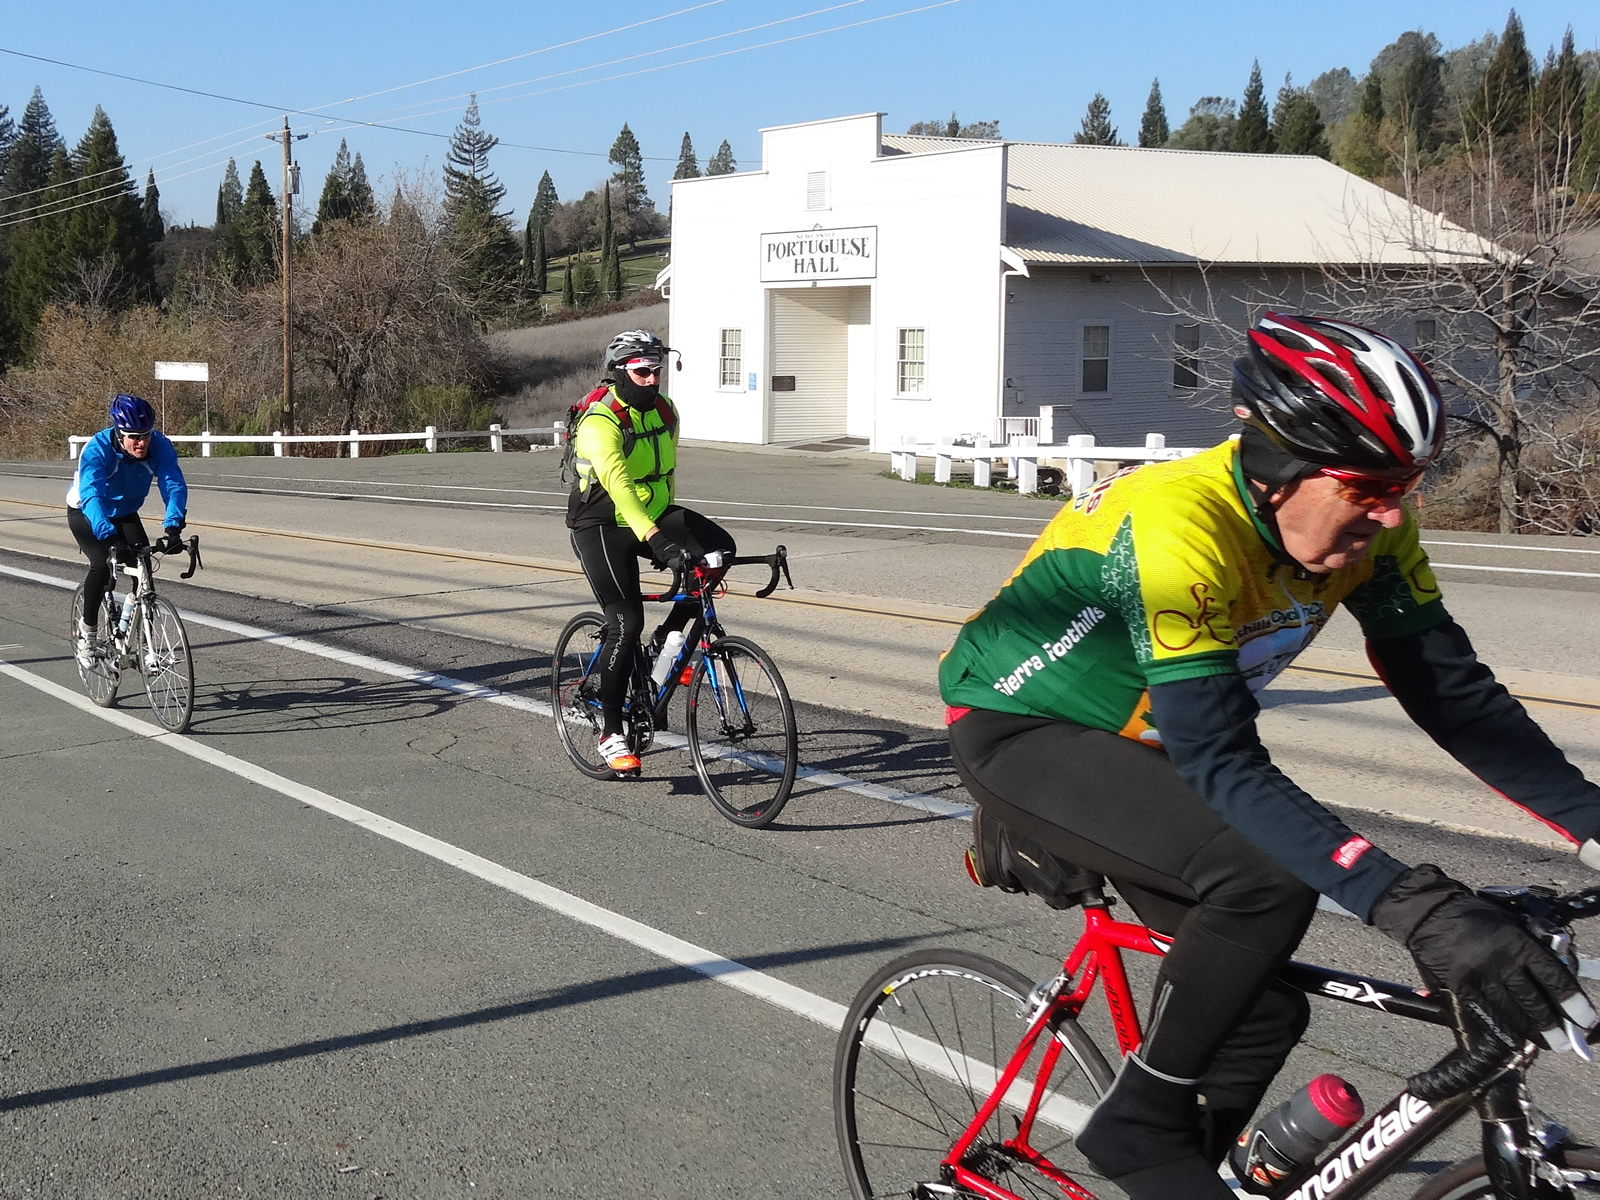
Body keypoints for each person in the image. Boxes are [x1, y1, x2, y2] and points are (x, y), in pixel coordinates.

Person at [939, 313, 1600, 1198]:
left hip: (1149, 746)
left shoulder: (1373, 531)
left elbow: (1453, 694)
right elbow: (1218, 755)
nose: (1392, 512)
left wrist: (1592, 824)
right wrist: (1418, 908)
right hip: (1023, 726)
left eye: (1406, 484)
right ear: (1281, 467)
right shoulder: (1179, 524)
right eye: (1369, 486)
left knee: (1256, 1009)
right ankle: (1138, 1130)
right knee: (1264, 880)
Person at [566, 329, 736, 775]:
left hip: (652, 515)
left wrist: (671, 538)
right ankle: (611, 732)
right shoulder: (599, 422)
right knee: (626, 623)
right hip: (601, 523)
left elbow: (665, 476)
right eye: (643, 371)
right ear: (620, 372)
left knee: (719, 551)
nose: (653, 379)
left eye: (657, 370)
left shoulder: (665, 410)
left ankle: (668, 640)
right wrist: (657, 540)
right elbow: (619, 486)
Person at [67, 394, 188, 668]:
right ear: (119, 434)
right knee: (102, 564)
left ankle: (145, 646)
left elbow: (173, 485)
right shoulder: (97, 449)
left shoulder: (160, 446)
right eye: (134, 437)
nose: (142, 443)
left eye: (146, 435)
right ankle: (88, 634)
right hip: (87, 512)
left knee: (144, 566)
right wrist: (108, 536)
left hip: (125, 512)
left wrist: (173, 526)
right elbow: (91, 495)